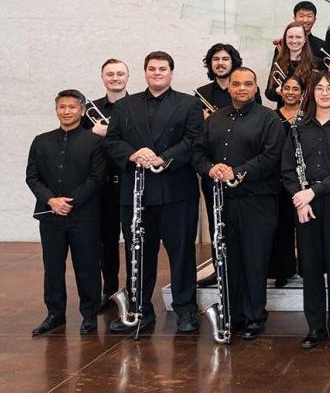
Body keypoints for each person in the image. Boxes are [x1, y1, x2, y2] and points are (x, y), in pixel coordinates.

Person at [104, 51, 203, 334]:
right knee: (138, 255)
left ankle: (185, 311)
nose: (157, 73)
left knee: (182, 254)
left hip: (177, 193)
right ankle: (139, 311)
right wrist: (135, 154)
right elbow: (112, 142)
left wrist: (163, 157)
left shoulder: (189, 104)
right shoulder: (125, 106)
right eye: (151, 69)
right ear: (145, 72)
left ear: (171, 72)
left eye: (162, 69)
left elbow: (193, 140)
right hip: (135, 194)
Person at [192, 67, 284, 340]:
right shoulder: (214, 119)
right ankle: (233, 314)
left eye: (247, 84)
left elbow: (272, 157)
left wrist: (237, 171)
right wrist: (211, 169)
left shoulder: (269, 119)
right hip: (224, 203)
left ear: (256, 88)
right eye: (236, 84)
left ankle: (256, 316)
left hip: (258, 202)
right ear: (229, 88)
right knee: (227, 259)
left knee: (255, 260)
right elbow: (198, 153)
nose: (242, 88)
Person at [283, 71, 330, 350]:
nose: (325, 92)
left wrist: (312, 192)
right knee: (310, 266)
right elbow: (287, 169)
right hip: (304, 204)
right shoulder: (297, 127)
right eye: (319, 88)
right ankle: (315, 327)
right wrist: (299, 199)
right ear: (311, 93)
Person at [26, 89, 107, 336]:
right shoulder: (41, 140)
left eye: (72, 107)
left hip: (84, 216)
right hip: (50, 215)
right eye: (62, 107)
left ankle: (90, 314)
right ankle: (55, 314)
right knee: (52, 266)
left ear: (82, 111)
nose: (67, 111)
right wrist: (51, 200)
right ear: (56, 109)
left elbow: (97, 178)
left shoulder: (94, 142)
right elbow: (32, 177)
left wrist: (70, 201)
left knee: (87, 266)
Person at [81, 58, 129, 310]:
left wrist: (108, 133)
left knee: (134, 240)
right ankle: (109, 290)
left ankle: (134, 290)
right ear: (102, 78)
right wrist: (92, 134)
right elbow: (80, 144)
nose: (115, 78)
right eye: (110, 74)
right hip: (102, 185)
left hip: (131, 182)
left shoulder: (138, 105)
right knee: (105, 241)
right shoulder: (90, 109)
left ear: (127, 78)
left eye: (120, 73)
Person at [269, 76, 304, 288]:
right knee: (281, 227)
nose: (290, 92)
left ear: (302, 93)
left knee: (304, 227)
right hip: (278, 179)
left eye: (295, 89)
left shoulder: (308, 117)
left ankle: (308, 268)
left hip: (303, 180)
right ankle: (283, 270)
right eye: (287, 88)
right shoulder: (271, 117)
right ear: (281, 92)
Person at [196, 43, 261, 114]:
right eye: (216, 59)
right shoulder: (201, 93)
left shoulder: (249, 90)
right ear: (210, 63)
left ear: (233, 62)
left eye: (225, 59)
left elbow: (258, 118)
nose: (220, 63)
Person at [266, 21, 318, 108]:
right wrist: (278, 91)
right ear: (285, 39)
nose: (294, 41)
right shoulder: (279, 62)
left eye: (298, 37)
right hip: (283, 112)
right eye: (290, 37)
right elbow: (268, 93)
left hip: (307, 115)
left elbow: (317, 95)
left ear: (305, 39)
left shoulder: (316, 63)